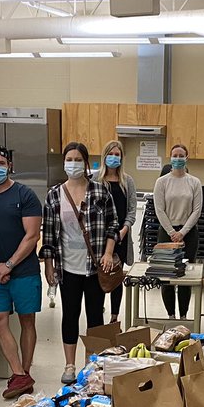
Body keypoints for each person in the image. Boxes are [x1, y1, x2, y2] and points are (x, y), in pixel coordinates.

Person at [41, 142, 120, 384]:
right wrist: (49, 264)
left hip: (95, 266)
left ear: (86, 163)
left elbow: (113, 225)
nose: (73, 163)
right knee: (70, 315)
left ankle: (93, 364)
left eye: (78, 159)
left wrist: (108, 254)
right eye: (69, 159)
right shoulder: (55, 194)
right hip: (68, 267)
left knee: (95, 316)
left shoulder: (100, 191)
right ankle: (69, 365)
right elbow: (49, 236)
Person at [0, 143, 44, 400]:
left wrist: (9, 265)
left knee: (27, 321)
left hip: (24, 270)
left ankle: (24, 371)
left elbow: (32, 236)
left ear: (10, 166)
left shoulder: (25, 195)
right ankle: (19, 374)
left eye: (1, 163)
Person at [152, 144, 204, 319]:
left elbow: (197, 210)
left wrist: (182, 232)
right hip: (166, 232)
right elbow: (160, 209)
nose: (178, 158)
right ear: (170, 158)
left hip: (188, 233)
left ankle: (183, 315)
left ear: (186, 158)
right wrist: (172, 232)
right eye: (175, 155)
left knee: (185, 276)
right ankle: (171, 315)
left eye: (181, 155)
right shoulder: (162, 182)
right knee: (166, 277)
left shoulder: (194, 182)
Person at [98, 141, 138, 323]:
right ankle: (98, 314)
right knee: (99, 276)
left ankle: (114, 317)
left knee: (116, 276)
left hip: (121, 237)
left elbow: (131, 210)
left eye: (117, 154)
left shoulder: (127, 181)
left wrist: (124, 229)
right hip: (100, 239)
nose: (114, 157)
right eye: (111, 153)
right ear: (104, 156)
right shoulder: (95, 181)